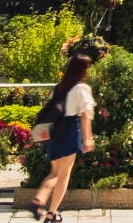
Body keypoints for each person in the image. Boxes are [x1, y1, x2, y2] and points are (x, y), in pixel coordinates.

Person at [29, 53, 95, 223]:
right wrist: (88, 138)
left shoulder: (59, 88)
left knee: (55, 172)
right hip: (69, 131)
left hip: (52, 132)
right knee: (64, 175)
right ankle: (52, 213)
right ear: (84, 70)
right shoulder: (81, 88)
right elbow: (85, 116)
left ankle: (39, 201)